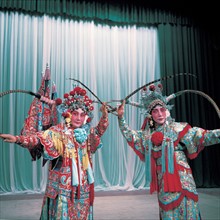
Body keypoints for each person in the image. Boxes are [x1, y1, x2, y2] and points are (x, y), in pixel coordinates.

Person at [0, 86, 109, 220]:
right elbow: (37, 139)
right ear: (68, 113)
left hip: (84, 184)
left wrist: (104, 116)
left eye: (82, 115)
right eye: (75, 113)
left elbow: (99, 130)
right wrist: (17, 139)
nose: (78, 118)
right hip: (62, 185)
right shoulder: (57, 131)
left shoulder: (87, 132)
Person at [116, 83, 220, 219]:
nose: (160, 114)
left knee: (189, 210)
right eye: (155, 111)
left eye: (162, 110)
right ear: (150, 115)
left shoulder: (178, 128)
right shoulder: (147, 135)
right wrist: (121, 118)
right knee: (168, 212)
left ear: (167, 111)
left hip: (184, 180)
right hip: (164, 181)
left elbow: (202, 136)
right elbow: (130, 135)